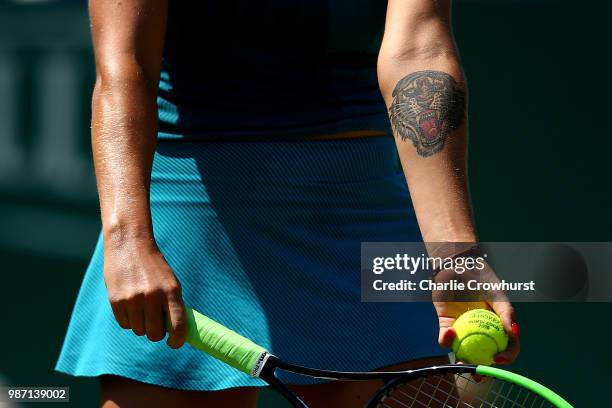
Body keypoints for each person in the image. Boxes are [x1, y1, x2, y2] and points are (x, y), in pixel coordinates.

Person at [56, 1, 520, 407]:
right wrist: (128, 237)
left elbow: (418, 49)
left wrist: (453, 252)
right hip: (191, 203)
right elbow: (124, 62)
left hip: (355, 202)